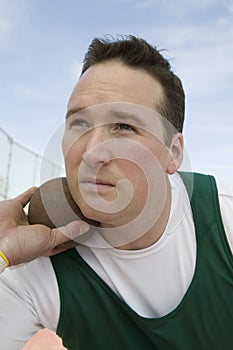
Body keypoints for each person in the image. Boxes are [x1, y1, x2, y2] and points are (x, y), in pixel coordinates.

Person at [0, 35, 233, 350]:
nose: (93, 152)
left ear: (173, 153)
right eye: (80, 123)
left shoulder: (225, 219)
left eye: (124, 126)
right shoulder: (33, 263)